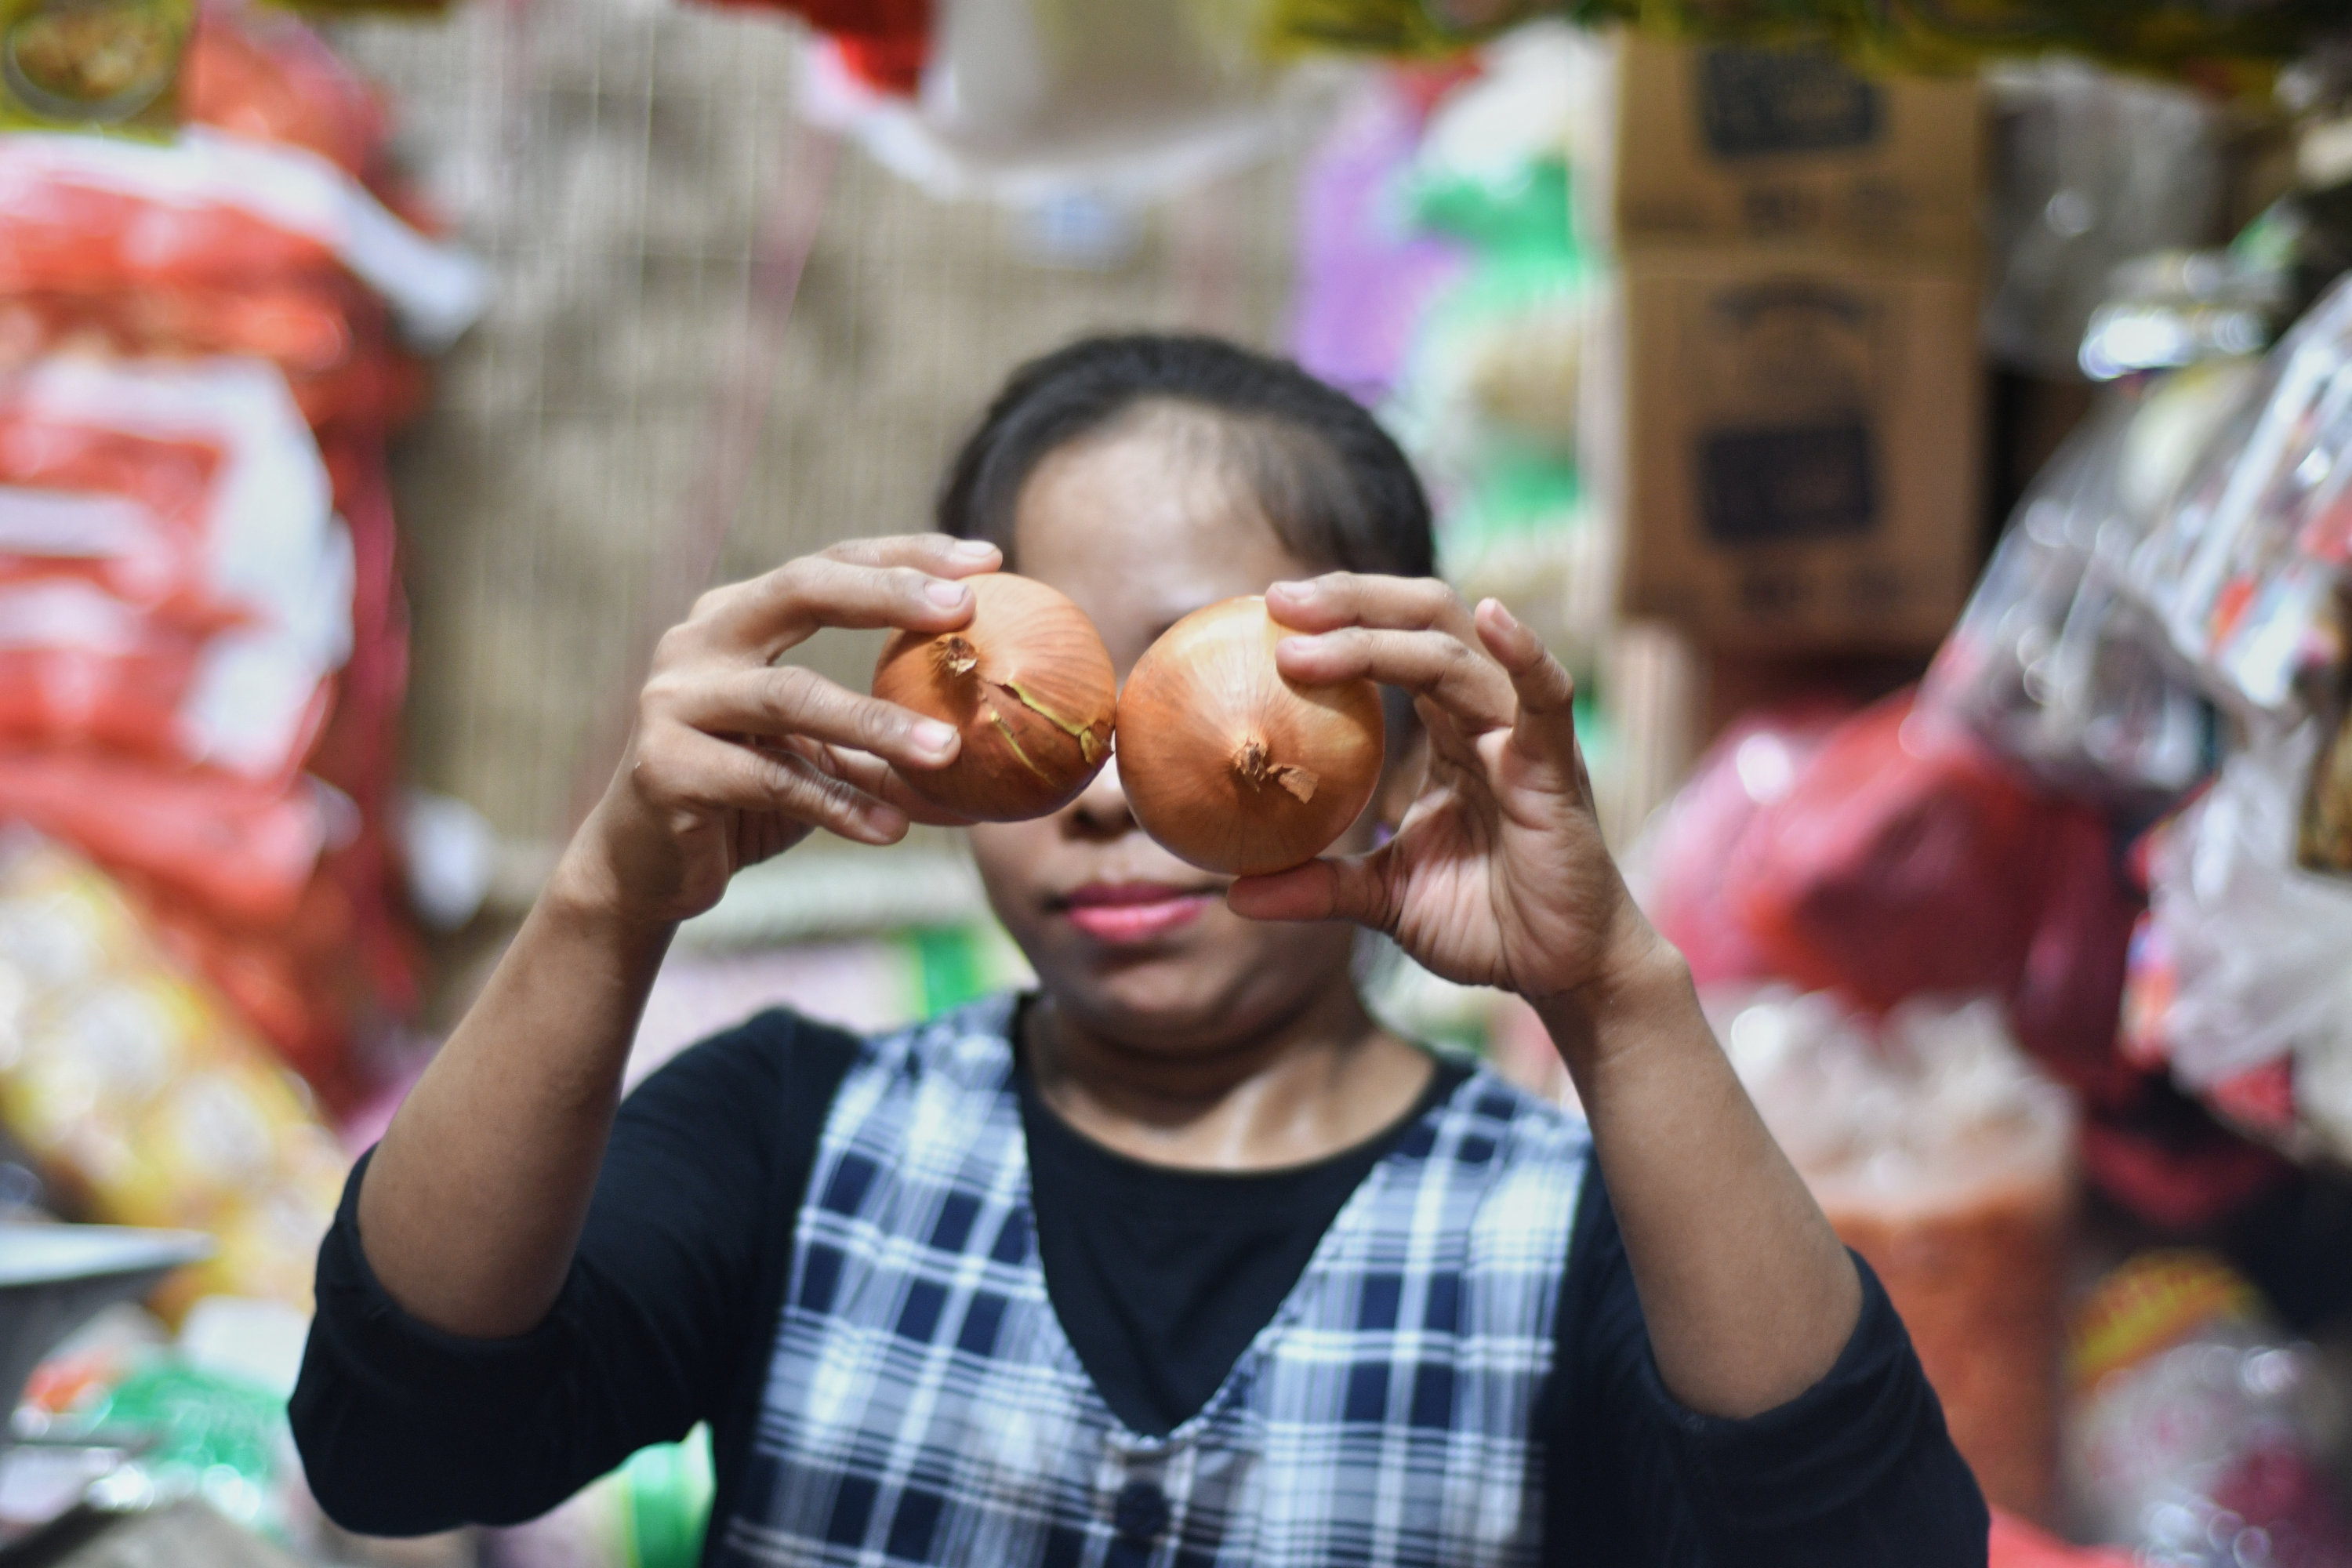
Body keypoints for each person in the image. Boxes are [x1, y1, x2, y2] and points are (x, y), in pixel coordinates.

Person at [292, 334, 1987, 1566]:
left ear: (1404, 749)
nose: (1109, 800)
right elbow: (398, 1443)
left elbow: (1875, 1548)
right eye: (1046, 707)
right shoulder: (790, 1134)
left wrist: (1614, 993)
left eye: (1205, 698)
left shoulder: (1580, 1232)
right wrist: (606, 902)